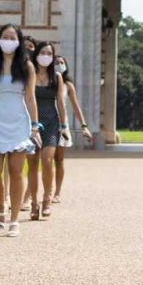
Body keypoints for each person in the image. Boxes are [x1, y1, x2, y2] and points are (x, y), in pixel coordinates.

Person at [0, 24, 41, 235]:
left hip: (18, 123)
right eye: (5, 36)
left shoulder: (27, 66)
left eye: (12, 37)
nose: (8, 40)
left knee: (16, 172)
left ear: (19, 40)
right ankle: (0, 206)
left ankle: (15, 219)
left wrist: (35, 127)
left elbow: (30, 97)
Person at [24, 40, 63, 220]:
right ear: (36, 54)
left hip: (51, 123)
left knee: (47, 160)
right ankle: (34, 203)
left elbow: (61, 103)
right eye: (43, 52)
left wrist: (64, 126)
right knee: (32, 164)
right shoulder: (28, 74)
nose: (46, 56)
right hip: (32, 122)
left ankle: (47, 199)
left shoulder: (57, 77)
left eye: (49, 54)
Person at [52, 52, 92, 201]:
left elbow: (75, 106)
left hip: (62, 123)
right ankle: (39, 192)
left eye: (61, 62)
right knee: (44, 159)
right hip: (45, 121)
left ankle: (57, 192)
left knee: (59, 159)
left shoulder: (68, 85)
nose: (59, 64)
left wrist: (84, 126)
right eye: (56, 62)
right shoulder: (46, 80)